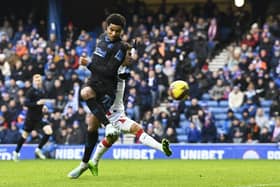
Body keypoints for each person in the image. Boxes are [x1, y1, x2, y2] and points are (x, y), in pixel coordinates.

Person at [68, 65, 172, 178]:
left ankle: (93, 162)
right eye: (129, 54)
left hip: (117, 113)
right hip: (114, 116)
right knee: (135, 130)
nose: (131, 57)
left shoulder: (118, 72)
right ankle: (161, 147)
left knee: (111, 138)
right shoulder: (109, 75)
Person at [77, 13, 132, 169]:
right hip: (94, 82)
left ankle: (108, 125)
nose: (114, 34)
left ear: (122, 32)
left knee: (90, 115)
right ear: (106, 27)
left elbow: (109, 72)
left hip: (107, 88)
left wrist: (88, 64)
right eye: (111, 30)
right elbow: (98, 61)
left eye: (118, 31)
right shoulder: (101, 38)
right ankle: (84, 164)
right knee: (90, 124)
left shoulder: (121, 47)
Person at [12, 74, 53, 161]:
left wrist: (44, 107)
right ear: (34, 81)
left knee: (49, 131)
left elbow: (42, 103)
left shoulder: (42, 91)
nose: (38, 82)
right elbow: (26, 103)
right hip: (31, 118)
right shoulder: (30, 91)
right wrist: (37, 103)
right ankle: (16, 152)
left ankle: (38, 149)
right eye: (36, 80)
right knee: (24, 136)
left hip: (39, 117)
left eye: (39, 80)